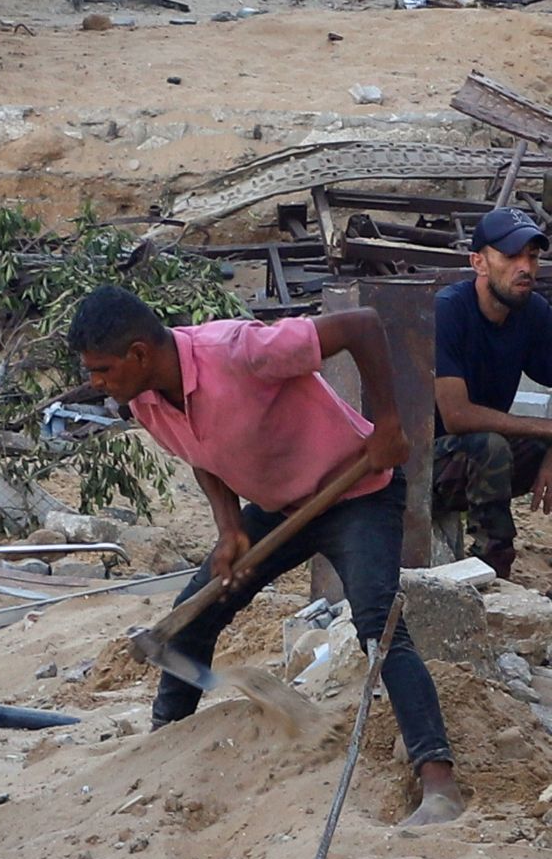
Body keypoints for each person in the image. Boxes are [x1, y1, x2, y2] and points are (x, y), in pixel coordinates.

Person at [67, 285, 463, 826]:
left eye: (103, 369)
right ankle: (164, 747)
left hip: (357, 492)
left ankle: (437, 781)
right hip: (281, 510)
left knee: (379, 624)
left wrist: (389, 423)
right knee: (192, 621)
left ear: (139, 353)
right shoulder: (143, 399)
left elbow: (362, 325)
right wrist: (230, 528)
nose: (96, 383)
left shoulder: (239, 350)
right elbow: (200, 451)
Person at [430, 207, 552, 580]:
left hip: (484, 460)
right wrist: (547, 430)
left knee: (494, 443)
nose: (526, 268)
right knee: (489, 444)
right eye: (511, 255)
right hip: (422, 466)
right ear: (478, 262)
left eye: (532, 256)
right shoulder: (448, 311)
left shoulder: (531, 311)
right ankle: (492, 570)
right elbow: (457, 416)